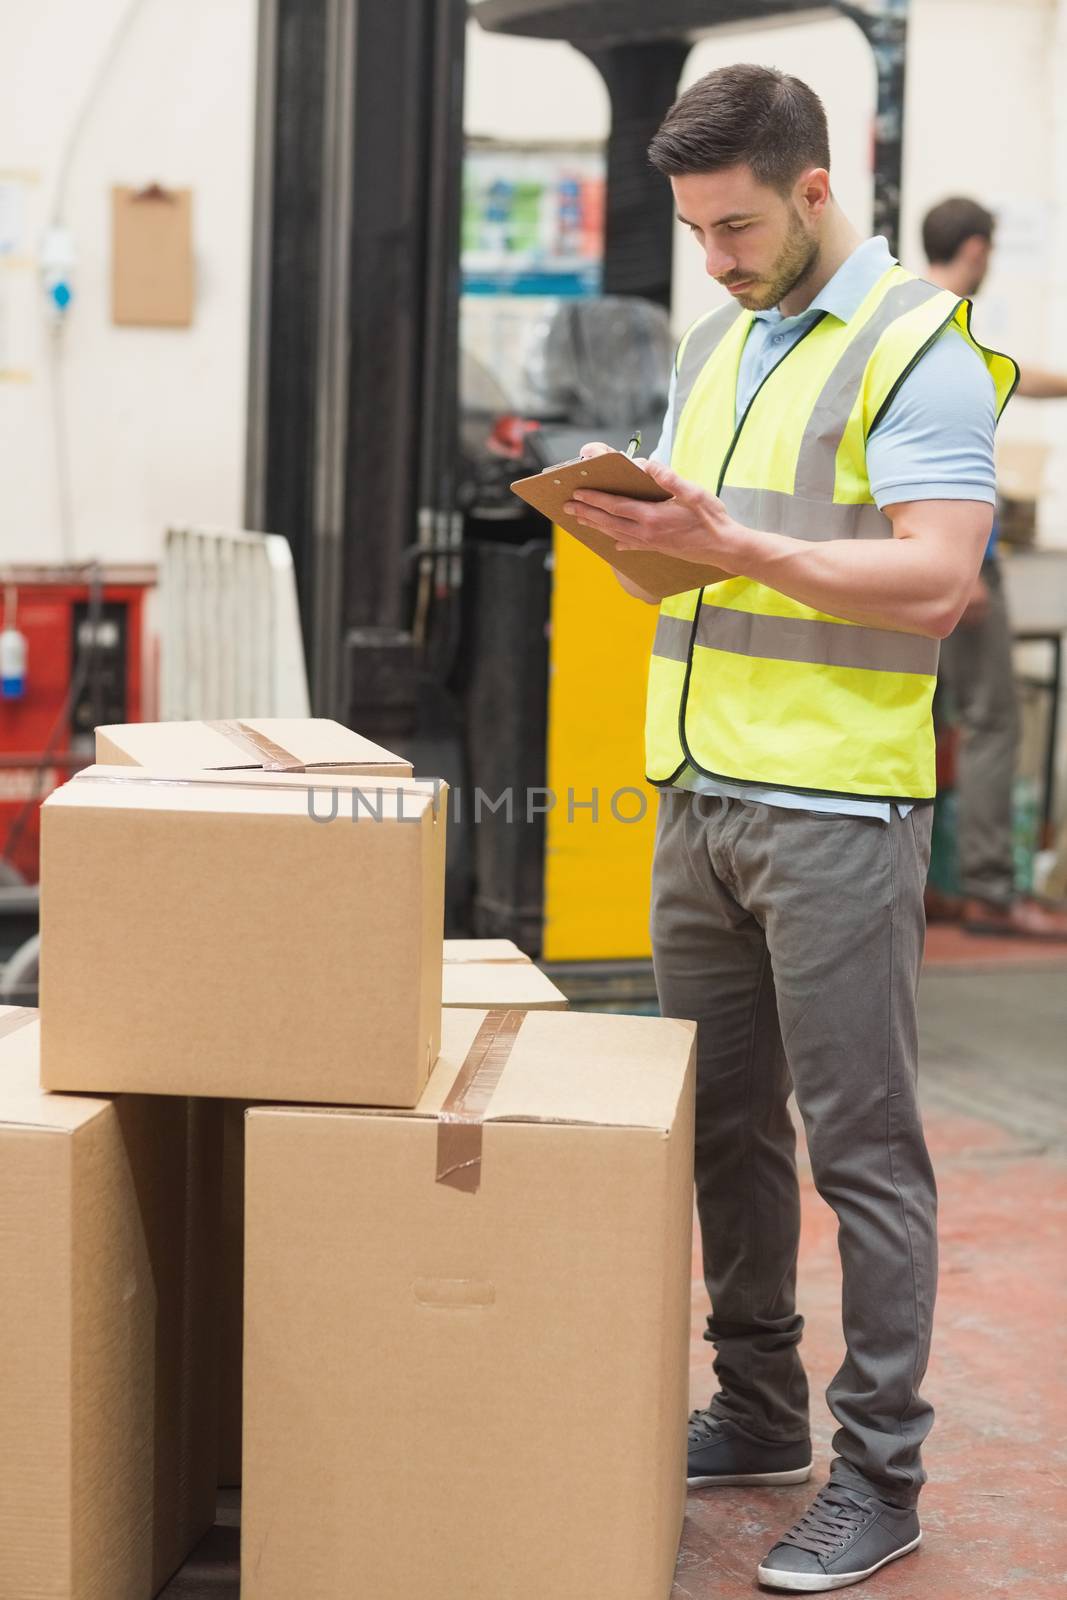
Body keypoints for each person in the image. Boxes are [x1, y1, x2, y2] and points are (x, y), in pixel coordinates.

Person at [572, 65, 1016, 1593]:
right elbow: (694, 562)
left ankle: (878, 1474)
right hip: (694, 796)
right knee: (720, 1135)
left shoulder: (921, 350)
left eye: (736, 224)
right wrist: (628, 535)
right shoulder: (721, 334)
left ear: (814, 188)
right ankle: (756, 1409)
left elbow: (932, 581)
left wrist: (729, 545)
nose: (712, 256)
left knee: (862, 1154)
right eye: (694, 229)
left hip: (830, 810)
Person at [922, 197, 1067, 937]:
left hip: (906, 562)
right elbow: (956, 453)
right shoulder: (946, 328)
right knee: (991, 722)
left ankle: (917, 883)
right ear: (976, 249)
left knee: (921, 718)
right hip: (957, 564)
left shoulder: (907, 318)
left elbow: (1016, 376)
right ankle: (984, 888)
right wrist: (972, 562)